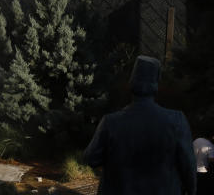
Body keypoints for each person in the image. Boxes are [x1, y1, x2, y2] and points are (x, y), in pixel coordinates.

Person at [83, 55, 196, 195]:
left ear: (132, 83)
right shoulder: (177, 121)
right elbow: (189, 168)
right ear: (155, 85)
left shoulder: (110, 122)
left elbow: (91, 158)